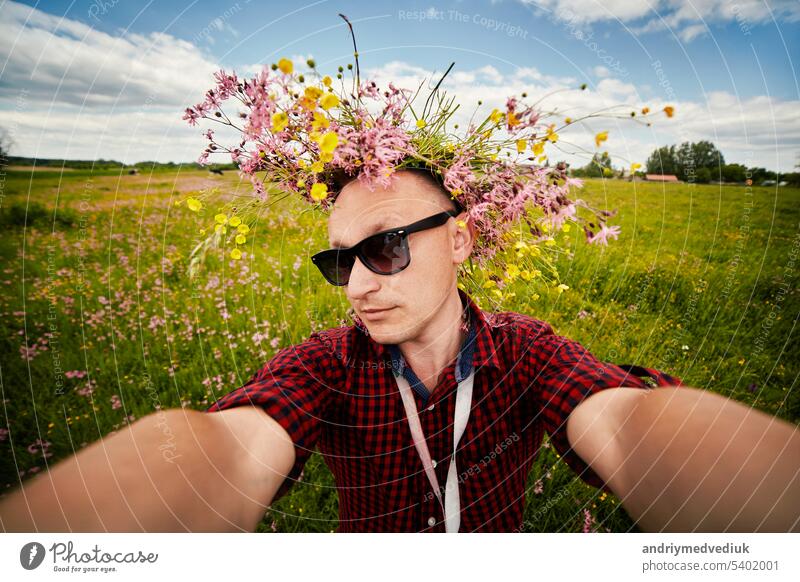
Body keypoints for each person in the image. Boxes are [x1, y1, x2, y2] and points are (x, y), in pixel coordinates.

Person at [1, 169, 798, 533]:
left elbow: (625, 423)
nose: (354, 285)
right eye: (338, 260)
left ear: (464, 240)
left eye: (383, 248)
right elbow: (232, 449)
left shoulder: (525, 351)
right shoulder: (324, 365)